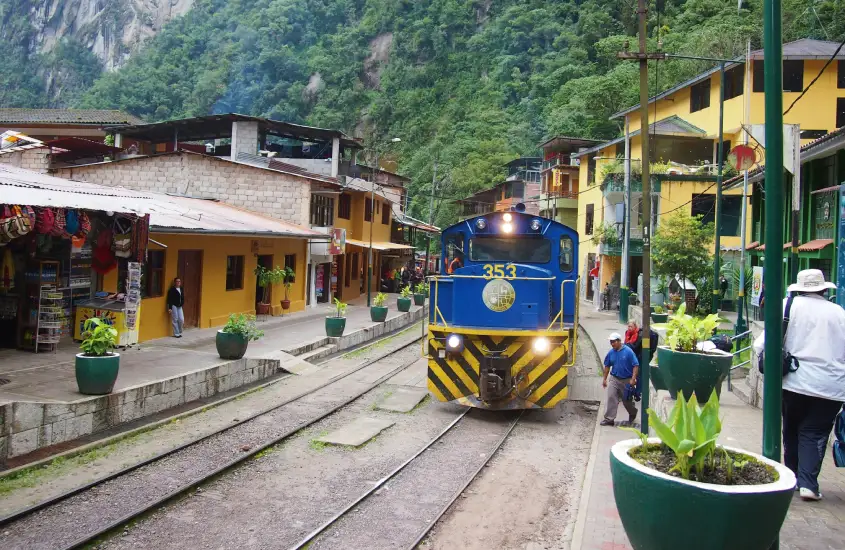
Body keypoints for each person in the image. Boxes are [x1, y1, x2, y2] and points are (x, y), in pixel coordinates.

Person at [753, 269, 845, 501]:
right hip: (830, 386)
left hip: (793, 382)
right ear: (824, 289)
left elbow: (760, 345)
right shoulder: (839, 313)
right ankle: (809, 484)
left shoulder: (787, 306)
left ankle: (792, 477)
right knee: (815, 432)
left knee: (791, 428)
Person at [601, 332, 640, 426]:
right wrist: (604, 379)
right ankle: (609, 419)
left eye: (613, 341)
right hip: (614, 379)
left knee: (627, 401)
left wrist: (633, 379)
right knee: (611, 397)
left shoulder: (628, 352)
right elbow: (607, 366)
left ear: (619, 341)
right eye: (611, 342)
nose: (612, 344)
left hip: (626, 380)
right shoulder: (611, 353)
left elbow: (635, 365)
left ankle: (633, 412)